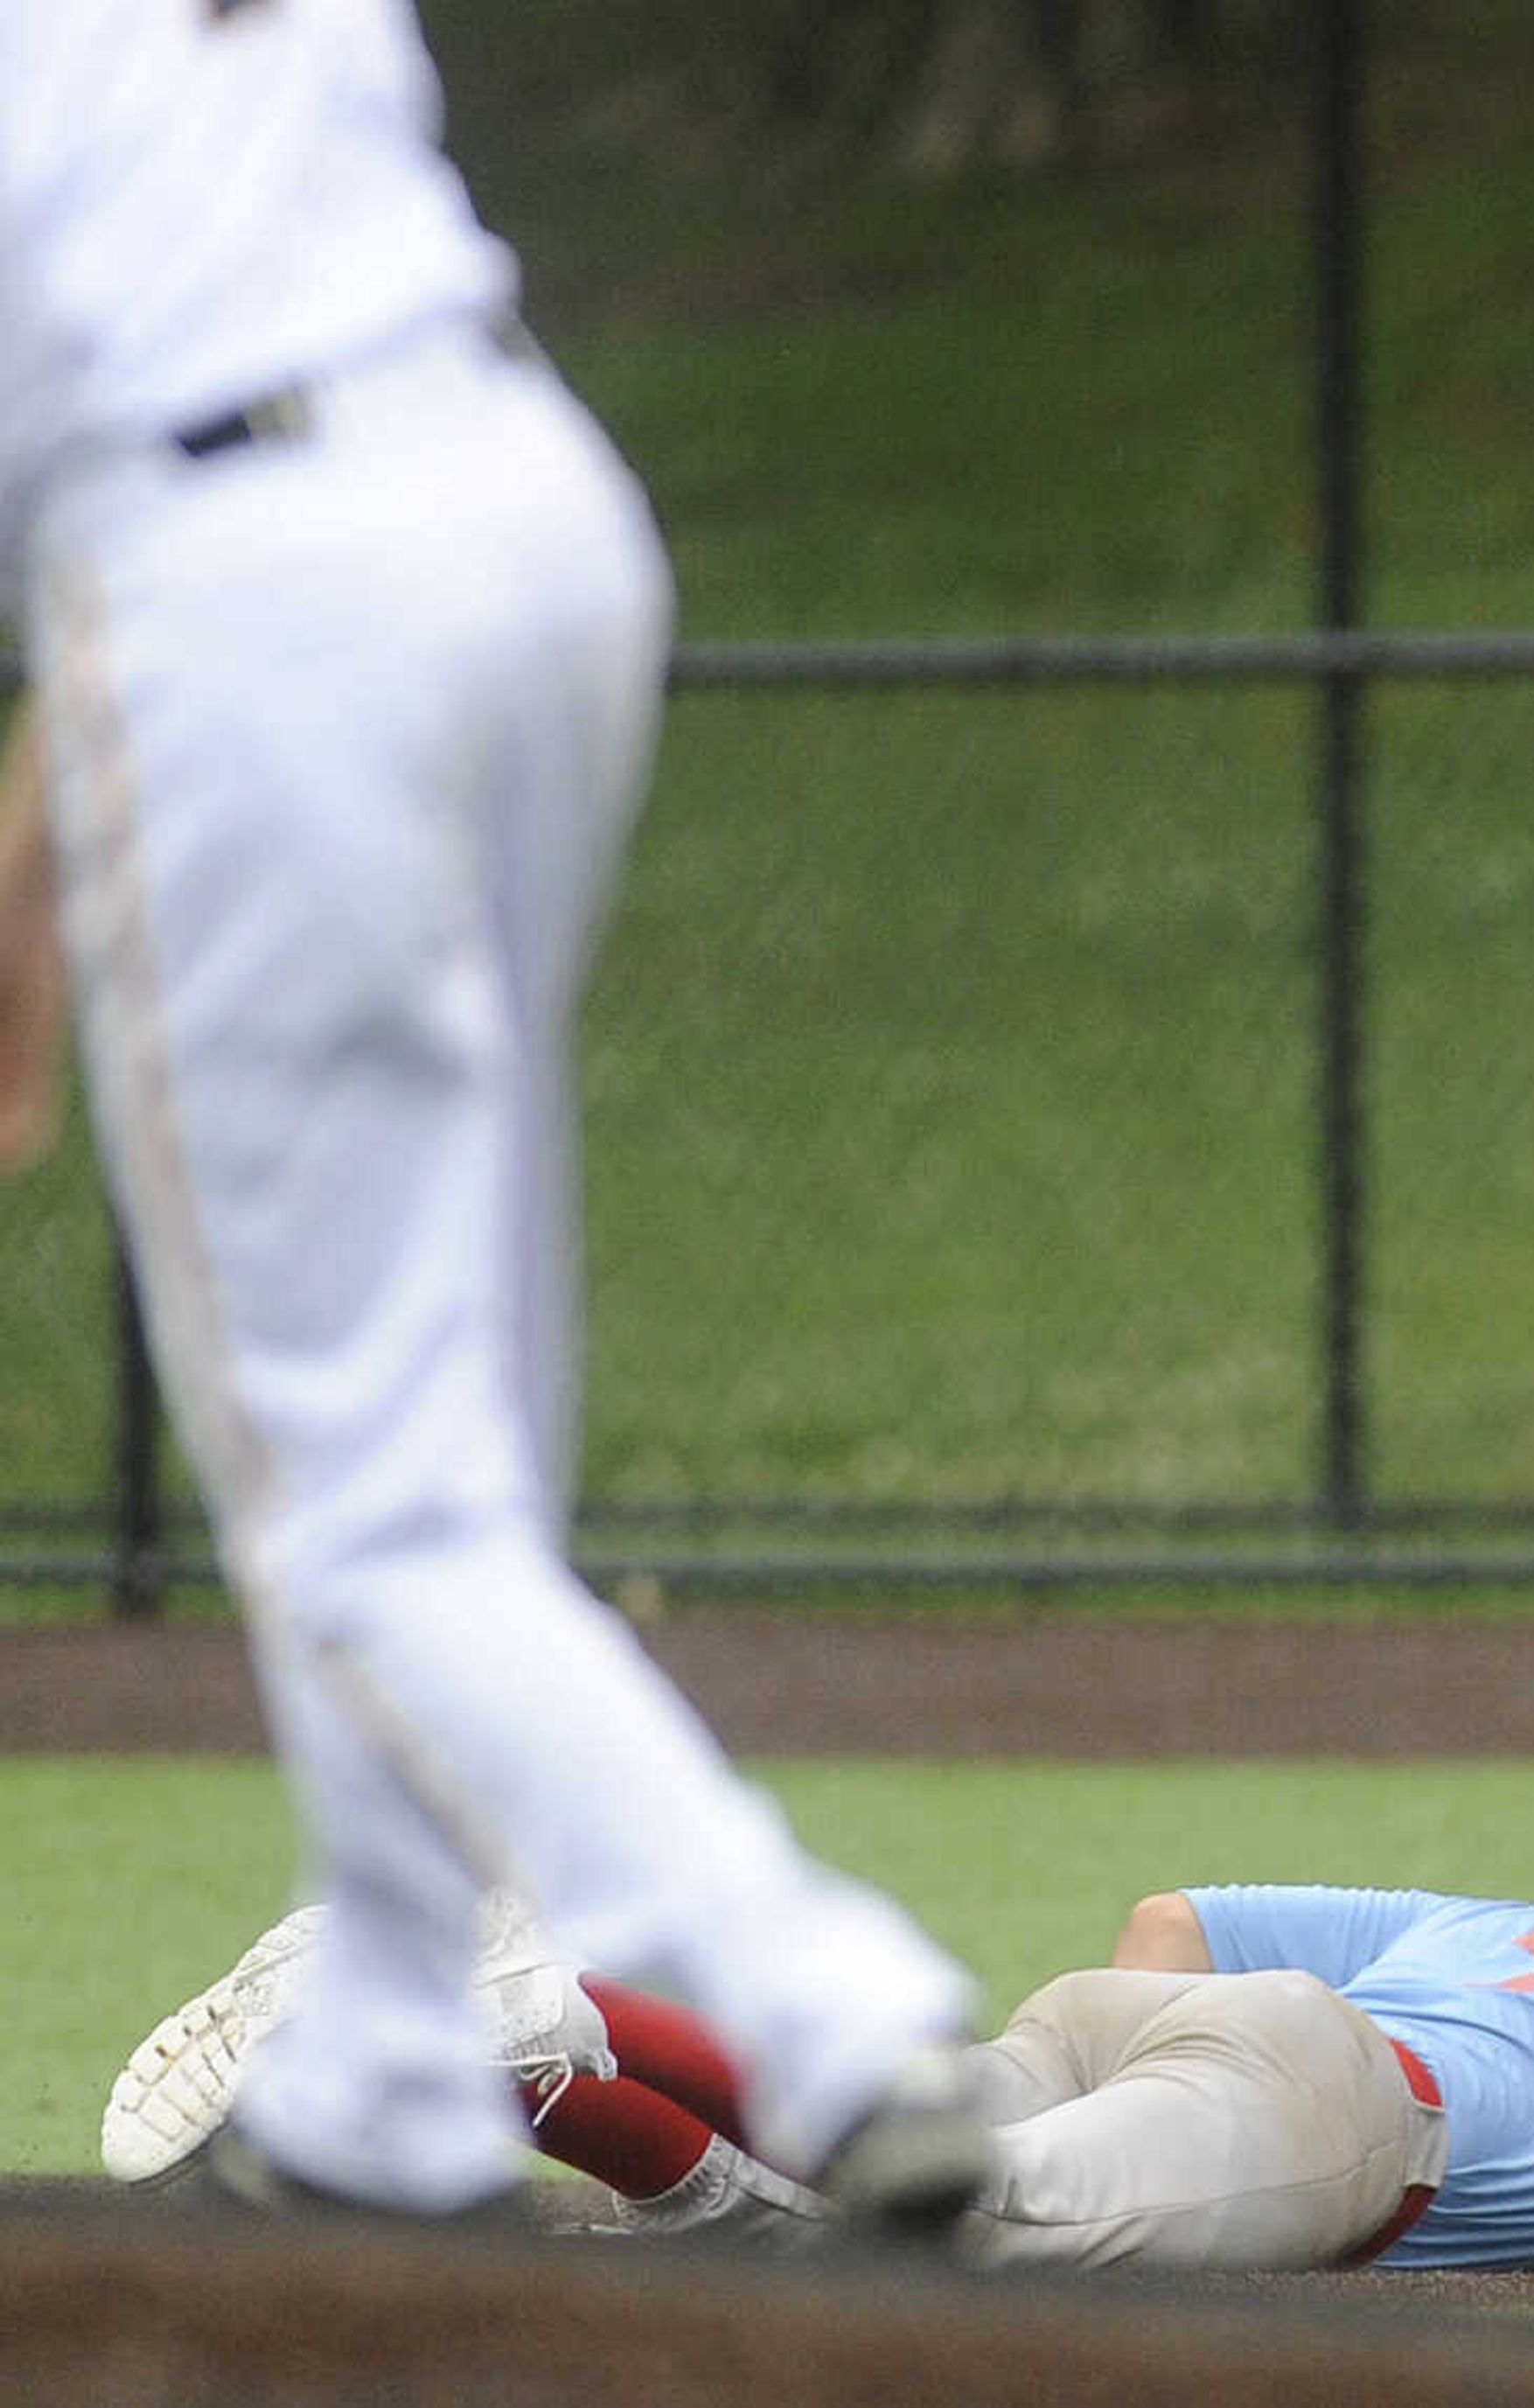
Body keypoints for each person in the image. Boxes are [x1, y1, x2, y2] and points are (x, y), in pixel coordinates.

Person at [2, 0, 987, 2229]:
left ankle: (823, 2007)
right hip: (520, 501)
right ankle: (385, 2068)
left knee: (357, 1505)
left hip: (244, 582)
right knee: (456, 1456)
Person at [108, 1762, 1534, 2272]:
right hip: (1336, 2104)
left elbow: (1173, 1910)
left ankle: (541, 2035)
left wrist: (1180, 2040)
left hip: (1200, 2014)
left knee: (792, 2195)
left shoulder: (1504, 1923)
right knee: (940, 2259)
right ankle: (534, 2010)